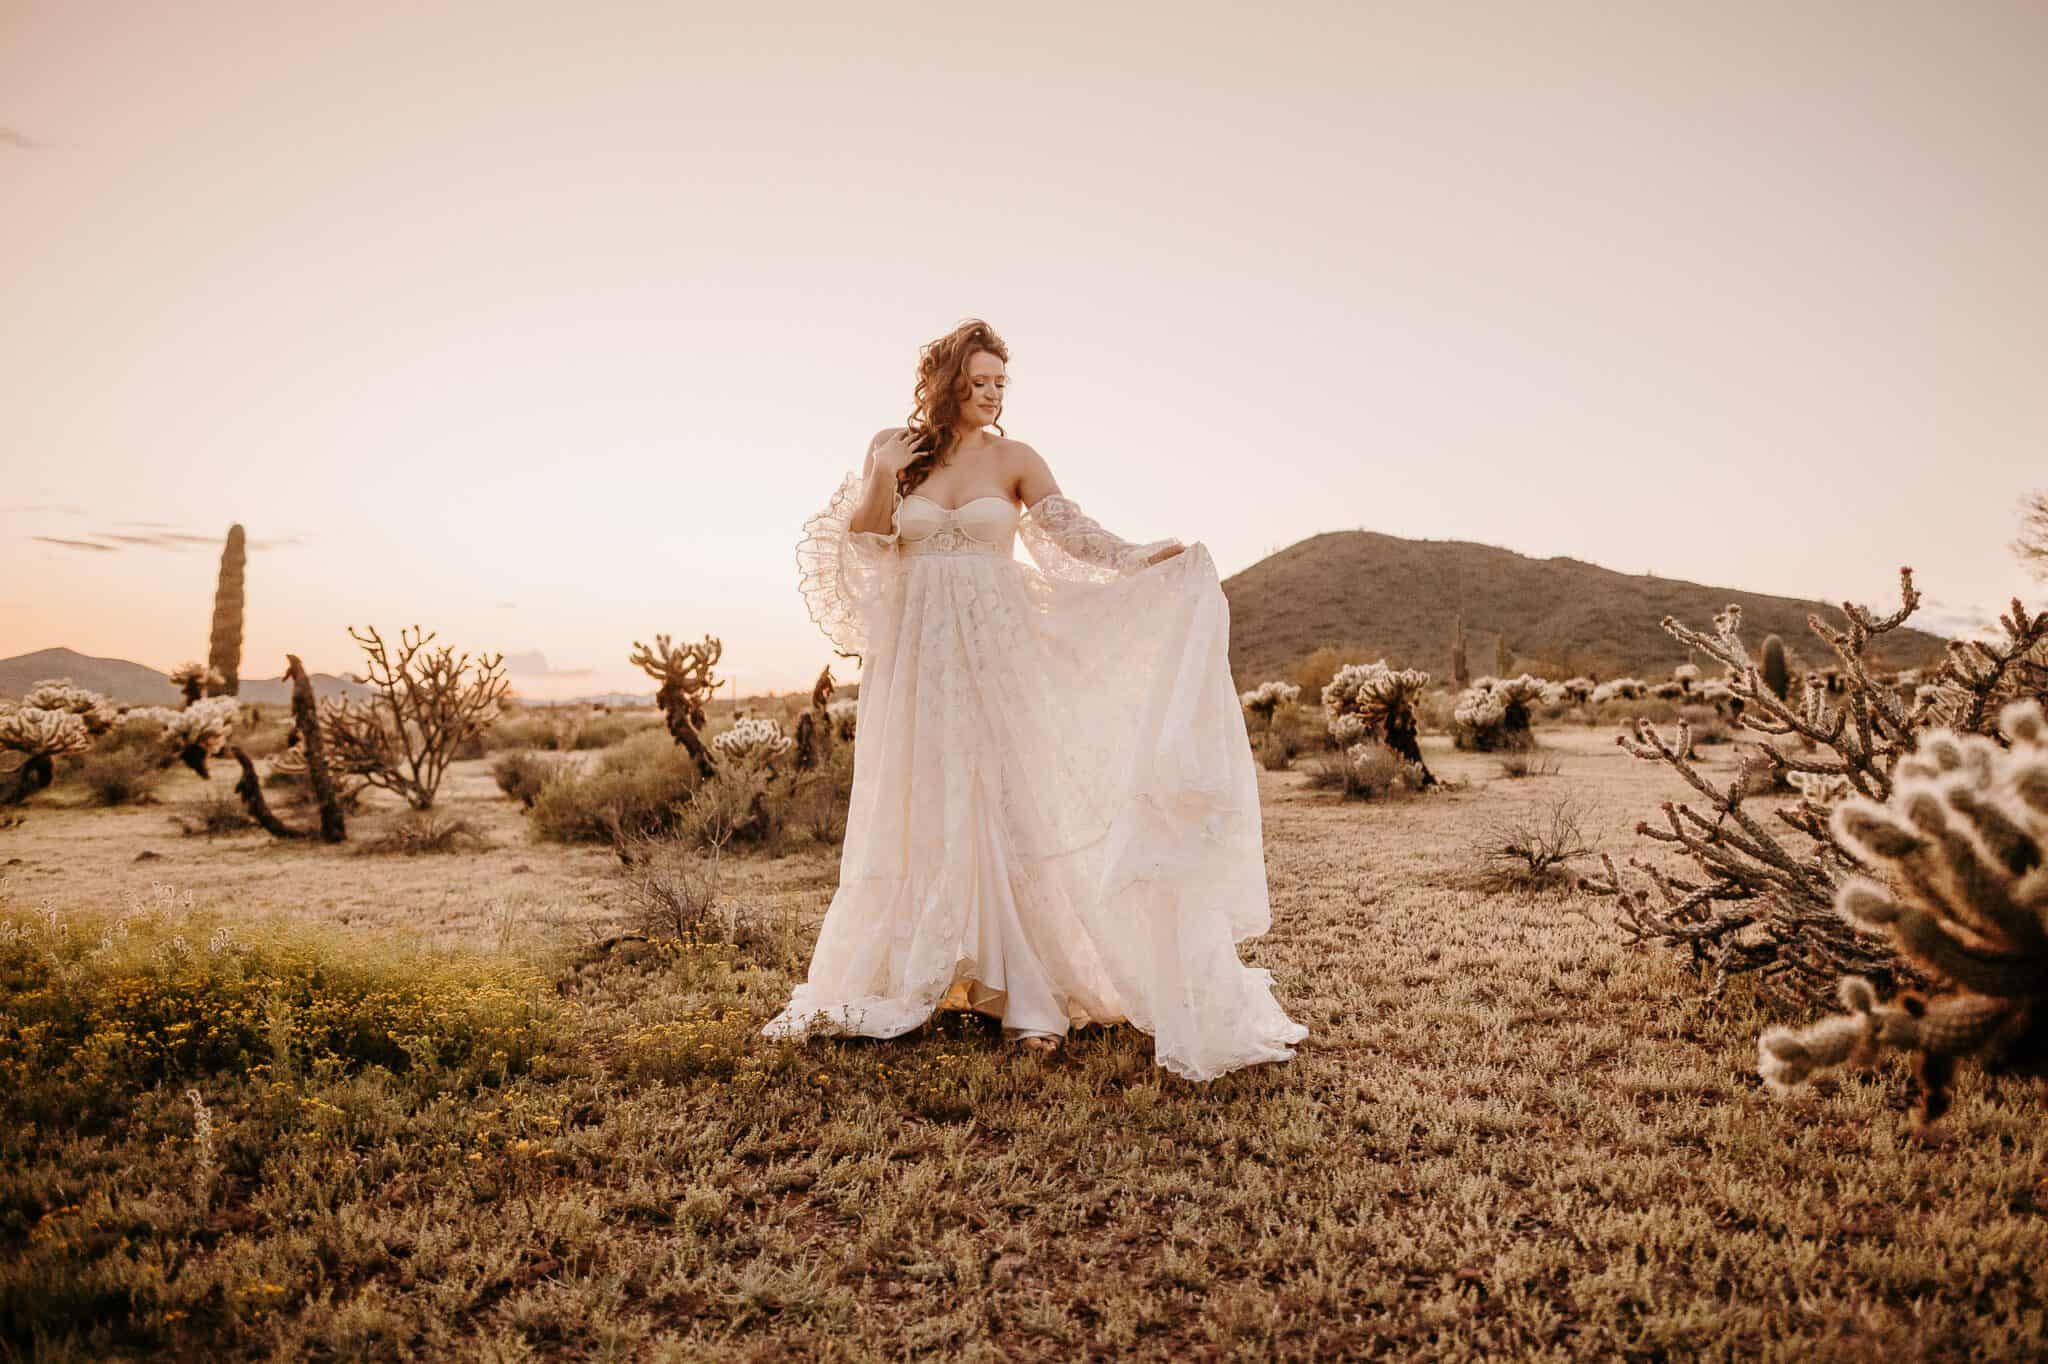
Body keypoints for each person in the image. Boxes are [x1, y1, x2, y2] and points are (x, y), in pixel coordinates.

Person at [763, 318, 1307, 1080]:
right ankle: (944, 970)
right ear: (946, 383)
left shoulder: (1016, 458)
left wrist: (1141, 556)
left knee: (1010, 802)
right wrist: (884, 471)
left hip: (998, 651)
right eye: (977, 382)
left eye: (999, 384)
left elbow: (1072, 533)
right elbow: (865, 540)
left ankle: (1029, 993)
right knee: (925, 801)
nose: (990, 395)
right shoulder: (896, 447)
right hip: (919, 659)